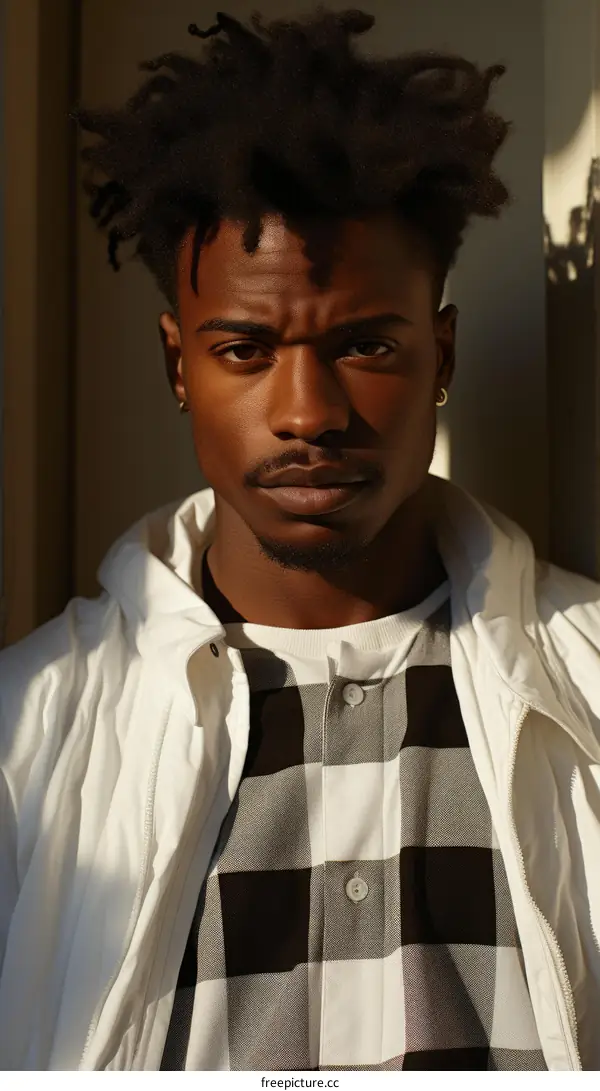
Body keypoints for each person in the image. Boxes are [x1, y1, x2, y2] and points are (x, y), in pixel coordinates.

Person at [0, 7, 599, 1073]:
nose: (310, 411)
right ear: (178, 363)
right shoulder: (27, 734)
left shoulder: (589, 679)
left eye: (366, 342)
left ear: (442, 352)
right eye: (246, 348)